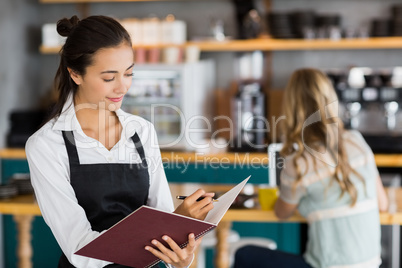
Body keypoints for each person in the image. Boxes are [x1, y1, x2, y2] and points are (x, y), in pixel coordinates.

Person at [26, 15, 214, 268]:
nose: (122, 87)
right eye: (108, 78)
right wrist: (166, 230)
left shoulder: (142, 131)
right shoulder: (47, 145)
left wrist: (181, 258)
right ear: (75, 74)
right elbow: (81, 250)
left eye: (129, 73)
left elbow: (162, 218)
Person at [234, 68, 388, 268]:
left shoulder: (300, 162)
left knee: (244, 255)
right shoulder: (356, 141)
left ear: (291, 108)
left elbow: (282, 212)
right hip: (372, 264)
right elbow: (382, 204)